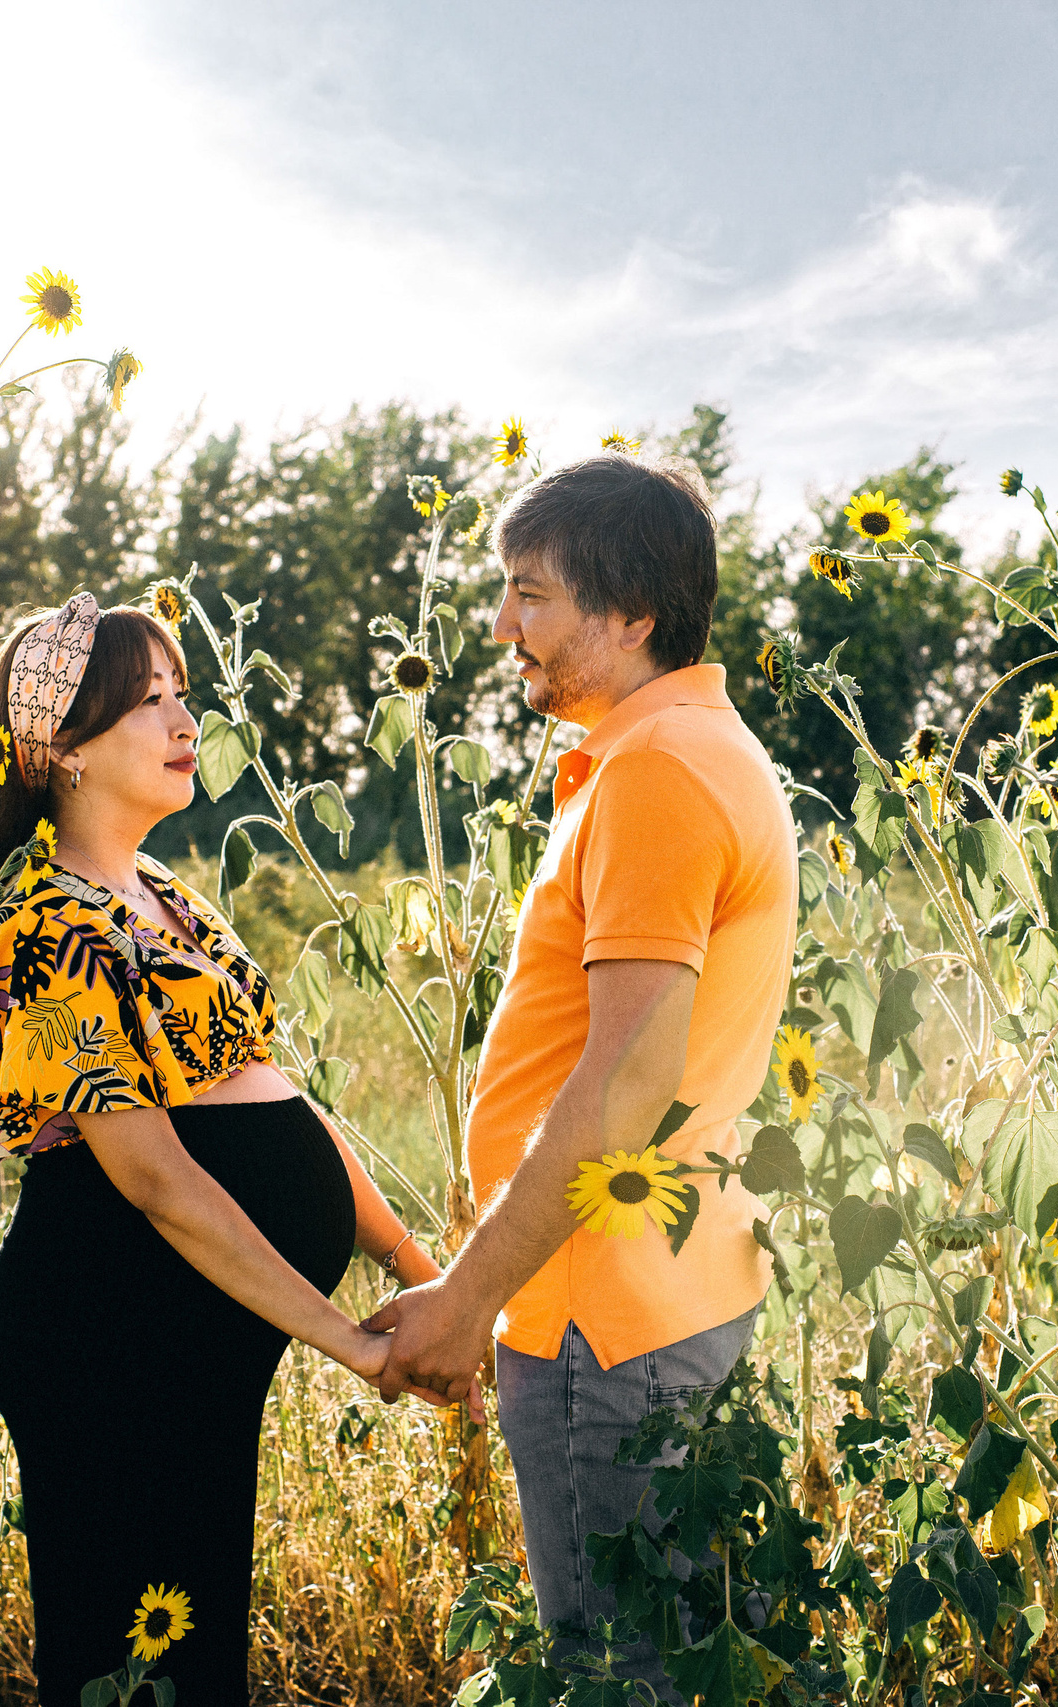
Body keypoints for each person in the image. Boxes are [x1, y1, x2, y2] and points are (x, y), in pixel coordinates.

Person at [0, 593, 450, 1704]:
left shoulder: (169, 900)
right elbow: (157, 1182)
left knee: (193, 1646)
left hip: (198, 1333)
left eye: (182, 694)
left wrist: (423, 1277)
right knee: (128, 1663)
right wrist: (347, 1343)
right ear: (59, 749)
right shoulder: (43, 925)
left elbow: (286, 1109)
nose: (184, 721)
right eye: (146, 702)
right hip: (107, 1330)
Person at [368, 455, 799, 1696]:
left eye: (531, 595)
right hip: (668, 1291)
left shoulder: (658, 772)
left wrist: (465, 1299)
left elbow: (625, 1083)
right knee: (672, 1659)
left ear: (630, 614)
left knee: (614, 1674)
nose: (502, 626)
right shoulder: (690, 750)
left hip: (600, 1321)